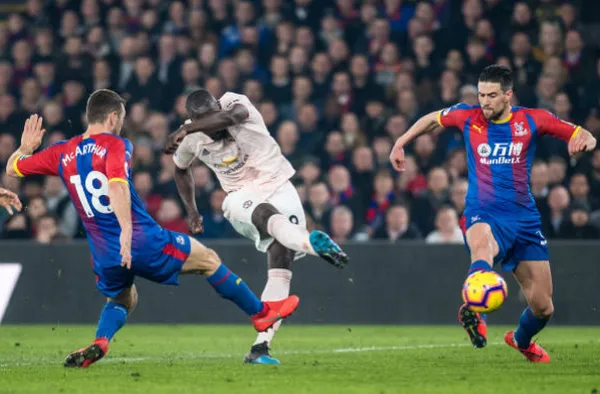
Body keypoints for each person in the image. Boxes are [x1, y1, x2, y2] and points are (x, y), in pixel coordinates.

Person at [5, 90, 300, 368]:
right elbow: (117, 187)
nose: (121, 125)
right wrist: (125, 231)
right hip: (139, 238)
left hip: (103, 253)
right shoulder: (117, 145)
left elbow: (13, 168)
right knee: (208, 260)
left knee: (123, 298)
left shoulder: (63, 152)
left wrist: (24, 148)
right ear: (112, 118)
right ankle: (261, 315)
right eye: (120, 120)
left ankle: (101, 341)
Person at [389, 65, 597, 363]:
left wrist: (587, 139)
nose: (484, 101)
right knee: (482, 251)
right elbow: (431, 120)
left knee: (544, 307)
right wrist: (401, 142)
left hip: (524, 220)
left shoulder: (532, 120)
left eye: (491, 95)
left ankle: (521, 340)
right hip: (482, 212)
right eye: (481, 94)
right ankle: (474, 310)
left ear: (508, 95)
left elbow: (579, 133)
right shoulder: (467, 117)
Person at [163, 89, 349, 365]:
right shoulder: (191, 139)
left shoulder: (234, 102)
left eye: (214, 114)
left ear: (217, 104)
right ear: (193, 118)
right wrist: (192, 211)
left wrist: (187, 127)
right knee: (266, 215)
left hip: (278, 184)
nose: (215, 124)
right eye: (205, 120)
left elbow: (231, 116)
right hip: (240, 195)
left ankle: (260, 348)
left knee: (282, 255)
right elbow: (180, 169)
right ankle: (313, 245)